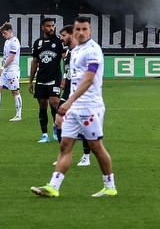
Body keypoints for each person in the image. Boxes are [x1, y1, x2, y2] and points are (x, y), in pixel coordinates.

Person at [31, 16, 116, 198]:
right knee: (65, 145)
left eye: (85, 29)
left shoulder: (93, 51)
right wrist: (68, 105)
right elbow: (74, 81)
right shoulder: (76, 50)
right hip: (75, 106)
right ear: (74, 31)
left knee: (96, 147)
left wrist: (67, 103)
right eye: (78, 29)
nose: (81, 32)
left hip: (90, 107)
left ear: (90, 31)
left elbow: (88, 79)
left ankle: (110, 186)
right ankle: (53, 187)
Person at [56, 24, 90, 167]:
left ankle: (86, 156)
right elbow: (67, 68)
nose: (61, 38)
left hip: (80, 93)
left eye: (63, 35)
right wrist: (65, 77)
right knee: (58, 120)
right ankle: (64, 154)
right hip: (68, 89)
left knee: (85, 126)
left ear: (71, 35)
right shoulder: (68, 52)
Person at [28, 17, 65, 143]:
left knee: (54, 103)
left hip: (55, 78)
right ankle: (44, 134)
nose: (51, 28)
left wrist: (65, 77)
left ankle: (56, 127)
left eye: (53, 26)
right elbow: (34, 62)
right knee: (42, 106)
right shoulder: (38, 43)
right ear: (43, 27)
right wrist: (31, 81)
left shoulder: (59, 42)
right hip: (41, 79)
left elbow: (65, 60)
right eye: (48, 26)